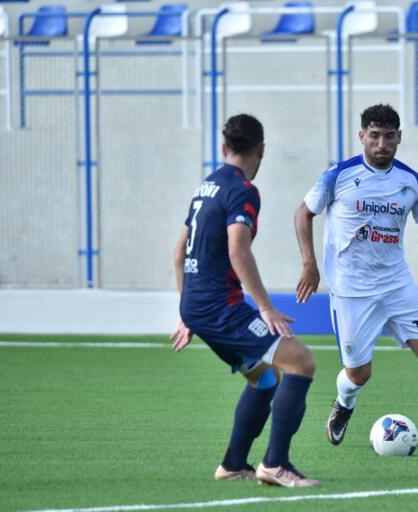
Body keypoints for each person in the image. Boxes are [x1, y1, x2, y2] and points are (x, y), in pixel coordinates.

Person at [294, 104, 418, 452]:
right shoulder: (338, 176)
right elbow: (303, 213)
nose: (381, 143)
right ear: (362, 137)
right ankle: (344, 403)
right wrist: (309, 263)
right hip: (352, 289)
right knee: (359, 375)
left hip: (396, 283)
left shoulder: (412, 182)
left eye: (388, 136)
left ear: (399, 136)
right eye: (374, 136)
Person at [171, 113, 320, 488]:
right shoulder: (243, 190)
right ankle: (275, 464)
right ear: (261, 150)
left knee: (265, 378)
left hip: (197, 304)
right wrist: (266, 307)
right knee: (301, 362)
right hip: (218, 305)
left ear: (224, 148)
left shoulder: (206, 186)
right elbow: (239, 251)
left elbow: (178, 253)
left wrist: (186, 313)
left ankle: (234, 463)